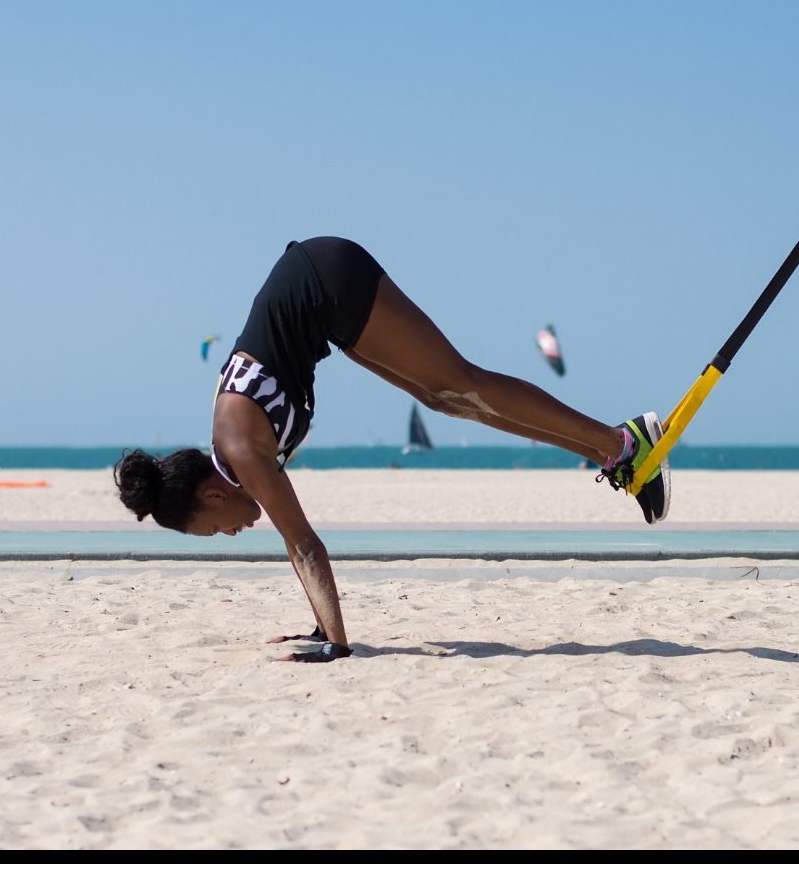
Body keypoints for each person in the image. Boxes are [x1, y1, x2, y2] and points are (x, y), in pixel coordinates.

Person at [114, 237, 670, 662]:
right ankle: (614, 454)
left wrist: (335, 642)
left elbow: (303, 543)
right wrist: (320, 627)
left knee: (459, 380)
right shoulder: (231, 446)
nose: (231, 534)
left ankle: (621, 441)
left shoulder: (241, 451)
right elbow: (292, 538)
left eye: (215, 530)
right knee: (446, 400)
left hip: (328, 277)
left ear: (212, 495)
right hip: (321, 300)